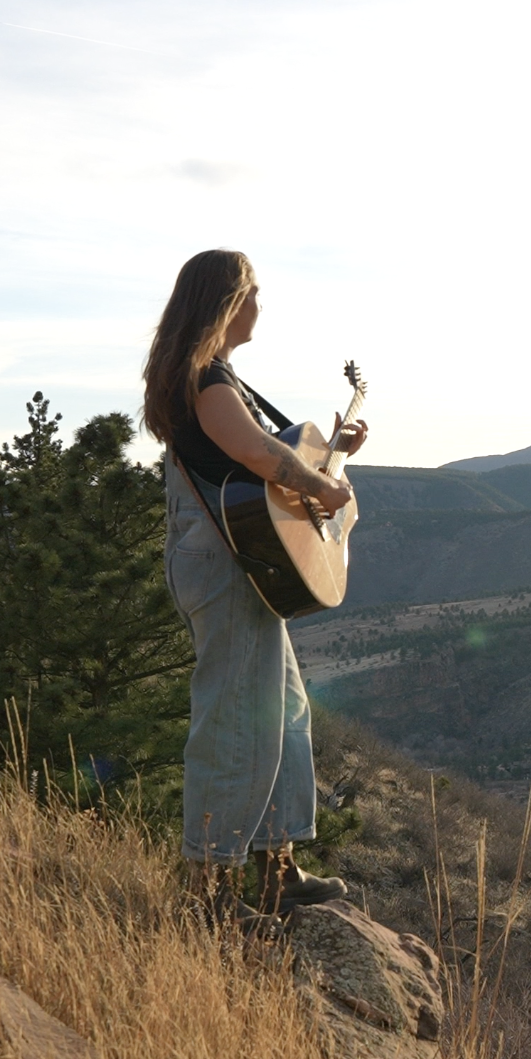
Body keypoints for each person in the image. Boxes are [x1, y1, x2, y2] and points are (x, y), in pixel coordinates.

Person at [143, 249, 368, 929]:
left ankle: (276, 871)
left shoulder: (211, 378)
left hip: (231, 560)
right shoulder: (208, 381)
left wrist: (334, 455)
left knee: (285, 714)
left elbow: (265, 469)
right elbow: (258, 457)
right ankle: (208, 892)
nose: (259, 308)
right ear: (224, 303)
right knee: (236, 725)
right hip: (223, 564)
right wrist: (322, 483)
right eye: (252, 295)